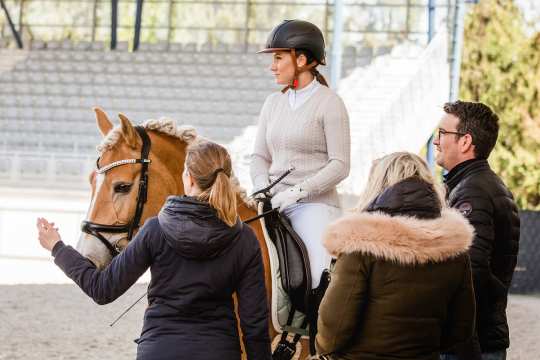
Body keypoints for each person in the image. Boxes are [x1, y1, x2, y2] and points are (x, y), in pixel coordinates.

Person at [37, 139, 271, 360]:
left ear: (188, 178)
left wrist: (57, 247)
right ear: (227, 179)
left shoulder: (155, 230)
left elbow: (102, 288)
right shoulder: (244, 239)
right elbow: (254, 326)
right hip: (218, 352)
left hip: (159, 350)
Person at [316, 152, 476, 360]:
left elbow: (334, 330)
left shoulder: (360, 244)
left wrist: (321, 347)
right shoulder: (454, 249)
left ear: (377, 184)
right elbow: (460, 330)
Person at [250, 19, 351, 290]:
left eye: (279, 58)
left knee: (316, 277)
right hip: (271, 201)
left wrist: (297, 193)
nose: (272, 66)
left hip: (312, 205)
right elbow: (259, 156)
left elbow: (340, 165)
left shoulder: (330, 103)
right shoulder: (273, 103)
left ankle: (317, 325)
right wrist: (261, 185)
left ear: (302, 59)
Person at [435, 101, 520, 360]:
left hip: (469, 344)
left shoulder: (473, 191)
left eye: (442, 133)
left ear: (465, 142)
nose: (436, 141)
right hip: (477, 340)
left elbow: (469, 271)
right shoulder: (478, 184)